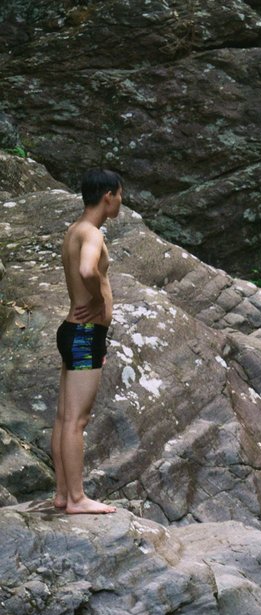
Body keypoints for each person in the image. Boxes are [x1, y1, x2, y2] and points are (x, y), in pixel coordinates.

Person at [51, 168, 122, 515]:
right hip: (84, 335)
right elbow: (86, 270)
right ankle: (77, 499)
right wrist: (97, 300)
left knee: (65, 418)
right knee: (76, 421)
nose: (121, 201)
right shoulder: (92, 234)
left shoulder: (74, 230)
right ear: (108, 195)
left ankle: (64, 494)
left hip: (72, 332)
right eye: (120, 195)